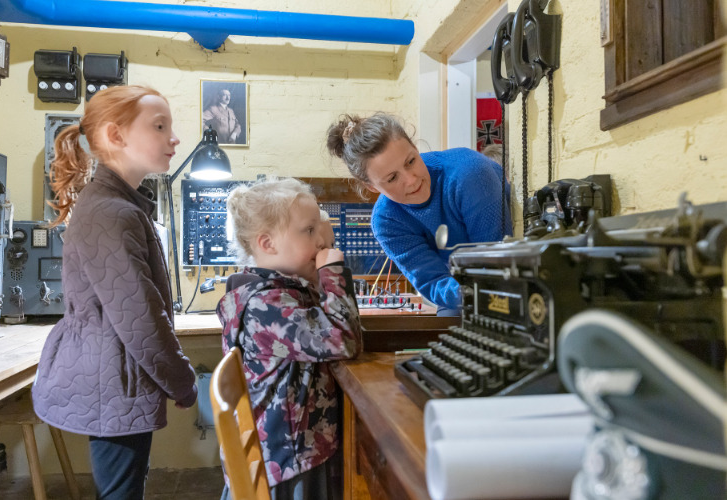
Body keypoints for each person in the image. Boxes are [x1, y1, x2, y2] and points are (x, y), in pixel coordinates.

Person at [32, 85, 198, 499]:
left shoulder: (115, 204)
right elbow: (140, 319)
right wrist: (182, 381)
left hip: (115, 378)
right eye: (159, 126)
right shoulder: (112, 213)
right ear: (116, 136)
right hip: (114, 382)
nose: (173, 138)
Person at [216, 177, 362, 500]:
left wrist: (319, 246)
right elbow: (343, 339)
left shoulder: (287, 292)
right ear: (267, 244)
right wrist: (333, 272)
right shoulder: (266, 305)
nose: (320, 242)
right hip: (287, 465)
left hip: (296, 452)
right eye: (308, 231)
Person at [326, 113, 512, 316]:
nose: (411, 180)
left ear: (415, 148)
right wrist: (465, 294)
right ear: (371, 186)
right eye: (392, 178)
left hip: (506, 281)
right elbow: (433, 281)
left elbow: (497, 265)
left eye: (410, 161)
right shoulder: (386, 220)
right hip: (461, 290)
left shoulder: (471, 174)